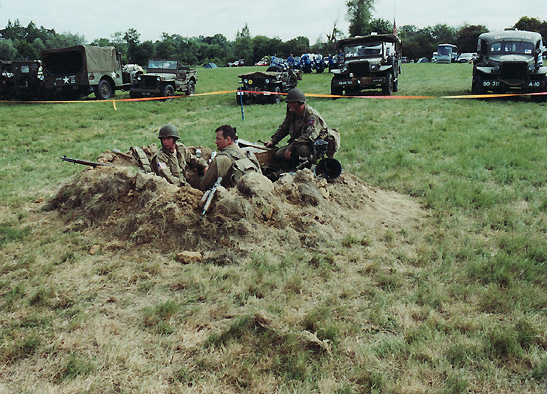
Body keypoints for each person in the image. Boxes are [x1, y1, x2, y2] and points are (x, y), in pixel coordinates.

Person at [264, 88, 339, 164]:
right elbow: (284, 128)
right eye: (289, 103)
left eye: (292, 103)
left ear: (300, 103)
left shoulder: (312, 116)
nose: (290, 106)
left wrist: (291, 148)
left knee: (302, 150)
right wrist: (273, 141)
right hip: (298, 143)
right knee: (279, 154)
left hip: (312, 145)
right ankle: (294, 166)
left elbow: (308, 137)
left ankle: (310, 165)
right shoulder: (293, 114)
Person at [200, 125, 261, 190]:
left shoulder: (219, 160)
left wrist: (206, 173)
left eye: (218, 139)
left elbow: (204, 186)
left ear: (228, 139)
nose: (216, 142)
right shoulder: (249, 154)